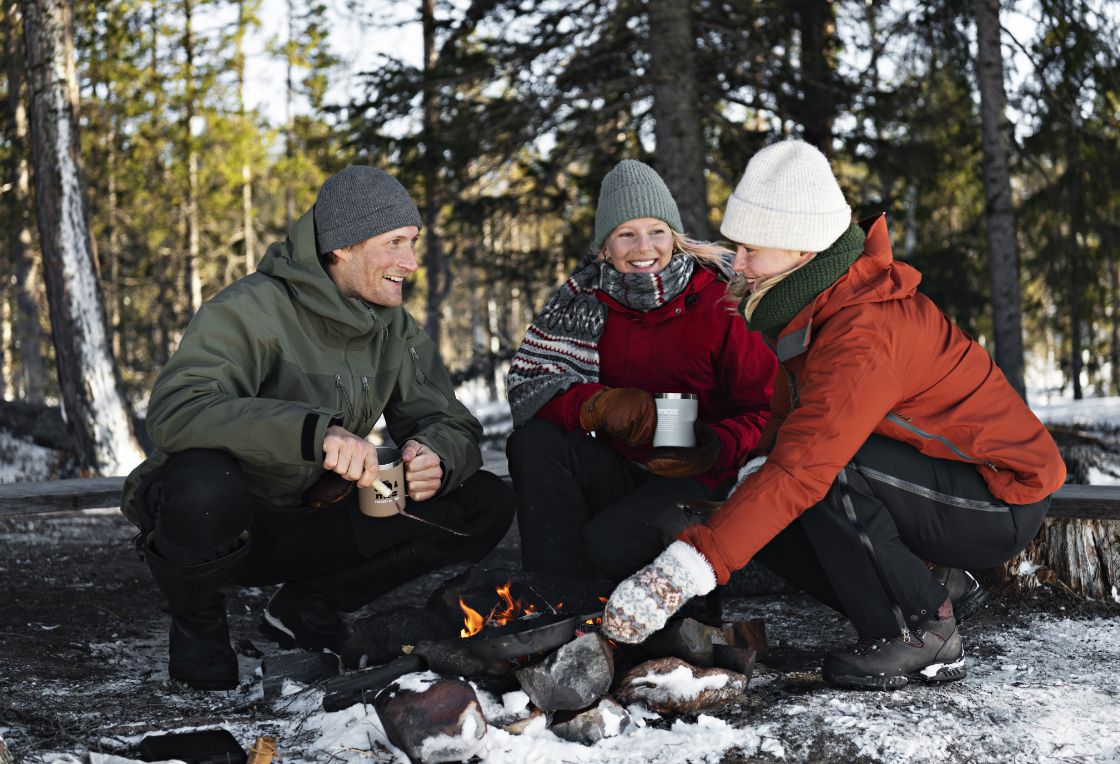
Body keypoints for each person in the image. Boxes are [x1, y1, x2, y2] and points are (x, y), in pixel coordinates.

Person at [602, 140, 1065, 689]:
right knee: (761, 496)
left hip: (998, 496)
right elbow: (783, 428)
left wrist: (680, 573)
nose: (739, 262)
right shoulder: (815, 304)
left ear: (802, 251)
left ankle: (922, 629)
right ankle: (930, 584)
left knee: (824, 470)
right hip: (936, 478)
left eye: (752, 249)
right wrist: (740, 477)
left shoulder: (862, 331)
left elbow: (805, 465)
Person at [120, 166, 515, 691]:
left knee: (483, 501)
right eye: (394, 243)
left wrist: (434, 452)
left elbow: (447, 418)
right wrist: (313, 433)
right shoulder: (252, 307)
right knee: (202, 482)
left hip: (317, 518)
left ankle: (306, 605)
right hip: (228, 526)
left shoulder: (393, 326)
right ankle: (199, 633)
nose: (410, 263)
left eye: (413, 242)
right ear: (340, 248)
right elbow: (177, 410)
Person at [505, 159, 776, 589]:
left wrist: (712, 445)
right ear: (605, 248)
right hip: (624, 464)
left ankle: (686, 606)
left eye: (656, 231)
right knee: (534, 442)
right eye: (625, 234)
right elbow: (535, 388)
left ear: (675, 237)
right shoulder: (581, 303)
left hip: (704, 475)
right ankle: (554, 597)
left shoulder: (722, 301)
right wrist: (596, 406)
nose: (642, 247)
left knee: (610, 543)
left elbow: (767, 410)